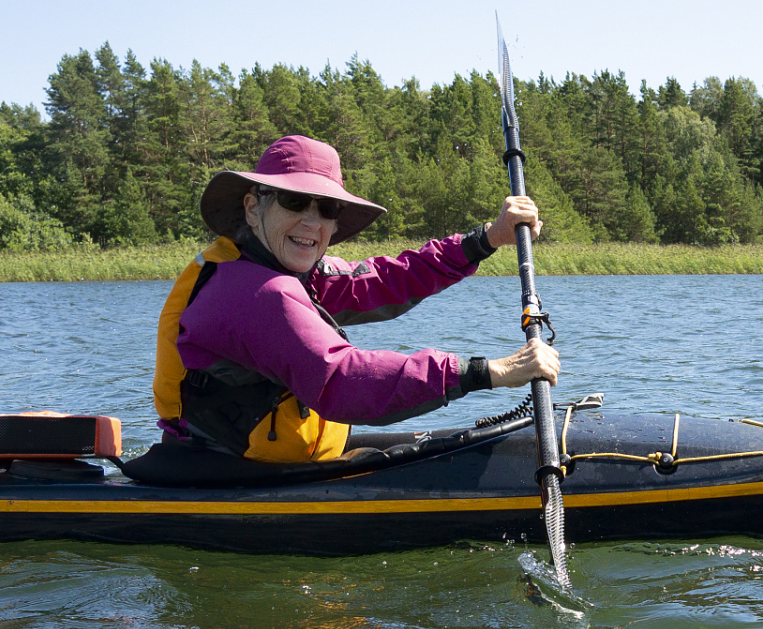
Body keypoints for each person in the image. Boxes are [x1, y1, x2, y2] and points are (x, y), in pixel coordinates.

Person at [150, 134, 559, 466]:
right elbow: (341, 380)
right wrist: (485, 372)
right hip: (227, 470)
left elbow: (384, 279)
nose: (312, 221)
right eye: (294, 201)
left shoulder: (286, 268)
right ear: (253, 207)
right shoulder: (256, 292)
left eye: (327, 207)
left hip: (279, 460)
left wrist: (487, 238)